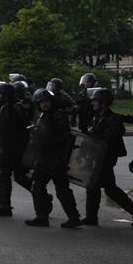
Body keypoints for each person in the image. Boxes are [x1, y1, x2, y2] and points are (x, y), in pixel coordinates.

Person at [81, 88, 133, 226]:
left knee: (100, 187)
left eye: (96, 101)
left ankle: (93, 217)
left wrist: (91, 136)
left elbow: (107, 139)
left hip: (106, 158)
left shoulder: (112, 119)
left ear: (103, 102)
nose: (93, 103)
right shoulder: (98, 116)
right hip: (98, 157)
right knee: (103, 187)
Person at [25, 89, 82, 228]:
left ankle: (72, 217)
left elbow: (61, 137)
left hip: (56, 158)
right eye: (42, 102)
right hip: (45, 158)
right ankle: (42, 216)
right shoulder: (43, 115)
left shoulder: (58, 115)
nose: (45, 104)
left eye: (47, 101)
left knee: (61, 189)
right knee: (37, 186)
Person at [0, 82, 33, 217]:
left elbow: (24, 130)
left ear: (6, 95)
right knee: (3, 175)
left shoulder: (17, 108)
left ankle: (42, 197)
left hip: (17, 149)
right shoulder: (2, 108)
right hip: (6, 149)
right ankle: (4, 206)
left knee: (21, 177)